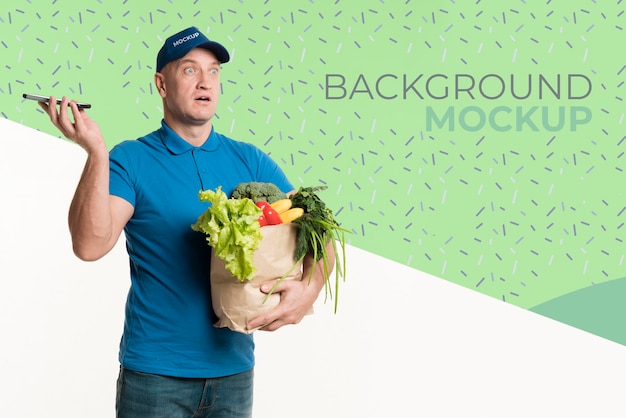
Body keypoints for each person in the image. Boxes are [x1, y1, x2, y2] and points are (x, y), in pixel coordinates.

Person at [38, 26, 334, 418]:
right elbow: (90, 245)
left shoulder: (250, 160)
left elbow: (317, 232)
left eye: (213, 71)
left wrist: (309, 289)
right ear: (162, 84)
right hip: (155, 376)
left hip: (234, 372)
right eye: (190, 70)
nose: (205, 82)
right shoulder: (131, 160)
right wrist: (96, 153)